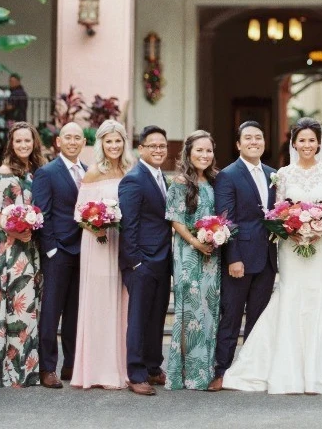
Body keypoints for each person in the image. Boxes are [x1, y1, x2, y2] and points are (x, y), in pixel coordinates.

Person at [221, 118, 322, 394]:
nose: (307, 145)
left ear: (318, 143)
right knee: (291, 296)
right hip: (291, 248)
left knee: (321, 297)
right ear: (294, 143)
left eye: (312, 140)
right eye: (302, 140)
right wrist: (292, 228)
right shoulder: (282, 174)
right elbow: (277, 212)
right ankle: (287, 371)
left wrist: (319, 224)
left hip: (321, 247)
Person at [208, 121, 278, 391]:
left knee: (258, 318)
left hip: (267, 257)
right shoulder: (228, 175)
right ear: (238, 144)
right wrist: (233, 258)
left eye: (258, 138)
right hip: (240, 257)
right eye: (247, 138)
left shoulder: (273, 174)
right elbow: (226, 219)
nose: (254, 142)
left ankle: (251, 370)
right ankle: (222, 370)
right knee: (231, 316)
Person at [72, 120, 132, 389]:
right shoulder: (94, 172)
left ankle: (120, 367)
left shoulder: (130, 170)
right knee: (99, 303)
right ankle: (96, 371)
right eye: (108, 141)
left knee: (122, 303)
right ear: (101, 144)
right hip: (98, 242)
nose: (114, 146)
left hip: (124, 242)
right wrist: (96, 226)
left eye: (117, 140)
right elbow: (79, 213)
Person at [0, 121, 45, 387]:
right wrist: (15, 230)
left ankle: (29, 368)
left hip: (32, 246)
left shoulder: (37, 171)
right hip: (11, 248)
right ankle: (11, 370)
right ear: (11, 143)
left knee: (31, 307)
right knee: (14, 305)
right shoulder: (4, 171)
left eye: (27, 140)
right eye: (18, 141)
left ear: (34, 142)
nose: (23, 145)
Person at [118, 125, 173, 396]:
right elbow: (128, 223)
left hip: (163, 259)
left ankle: (153, 367)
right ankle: (136, 373)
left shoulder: (162, 177)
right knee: (139, 319)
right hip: (142, 261)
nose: (158, 150)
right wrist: (135, 261)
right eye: (152, 146)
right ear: (141, 149)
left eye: (162, 145)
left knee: (156, 318)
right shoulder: (134, 179)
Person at [165, 130, 222, 390]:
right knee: (191, 313)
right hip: (189, 255)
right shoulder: (179, 181)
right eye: (199, 150)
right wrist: (196, 242)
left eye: (208, 150)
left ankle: (205, 372)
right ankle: (185, 373)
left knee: (209, 311)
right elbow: (176, 220)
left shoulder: (212, 181)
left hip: (212, 256)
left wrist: (217, 235)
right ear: (188, 152)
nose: (204, 155)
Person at [33, 122, 87, 388]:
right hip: (58, 251)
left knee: (76, 312)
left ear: (84, 143)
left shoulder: (88, 172)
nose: (73, 142)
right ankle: (47, 368)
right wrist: (51, 248)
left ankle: (70, 364)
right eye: (68, 137)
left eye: (78, 138)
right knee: (52, 311)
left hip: (84, 251)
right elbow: (42, 214)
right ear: (58, 142)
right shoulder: (47, 172)